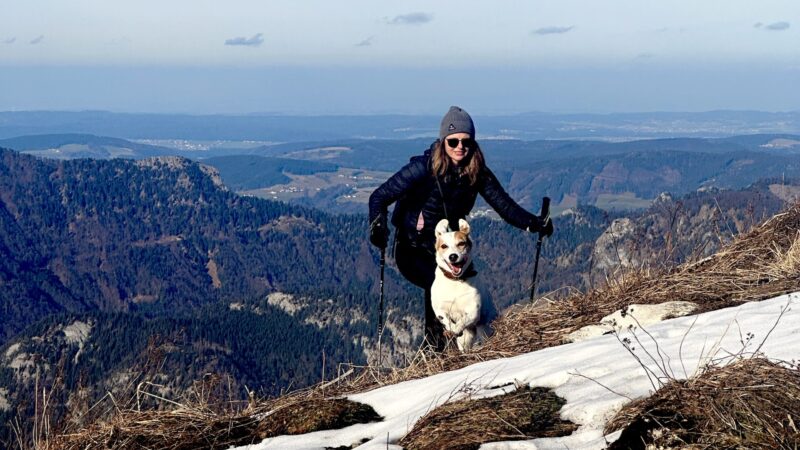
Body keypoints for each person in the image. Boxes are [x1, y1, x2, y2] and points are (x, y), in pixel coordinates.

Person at [368, 106, 553, 351]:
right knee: (437, 281)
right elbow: (379, 197)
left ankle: (464, 346)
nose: (459, 147)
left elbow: (503, 205)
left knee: (463, 285)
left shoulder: (477, 173)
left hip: (450, 250)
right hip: (411, 249)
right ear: (443, 140)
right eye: (453, 141)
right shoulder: (423, 168)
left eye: (466, 142)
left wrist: (533, 224)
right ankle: (435, 351)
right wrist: (378, 226)